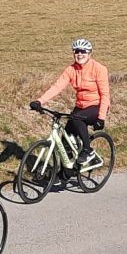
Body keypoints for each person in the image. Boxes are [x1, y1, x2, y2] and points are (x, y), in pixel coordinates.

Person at [32, 38, 110, 166]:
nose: (79, 54)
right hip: (80, 106)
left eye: (83, 51)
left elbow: (105, 94)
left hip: (97, 105)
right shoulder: (71, 69)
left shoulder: (99, 69)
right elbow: (57, 87)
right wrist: (39, 101)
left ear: (89, 53)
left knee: (77, 119)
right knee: (64, 142)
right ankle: (65, 174)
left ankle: (88, 150)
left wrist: (101, 118)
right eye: (76, 51)